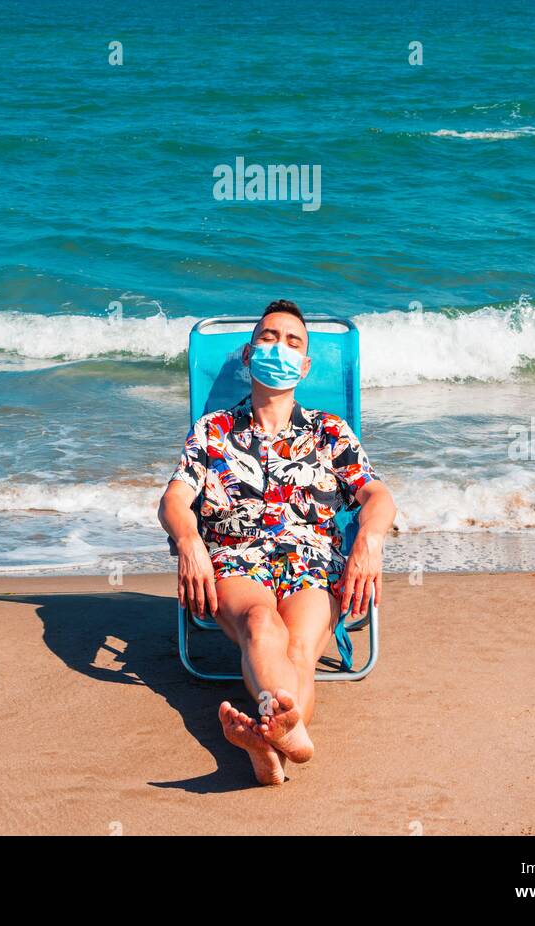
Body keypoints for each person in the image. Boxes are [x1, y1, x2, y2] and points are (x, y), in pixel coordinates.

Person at [158, 299, 396, 785]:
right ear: (248, 355)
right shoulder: (213, 431)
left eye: (293, 342)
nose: (279, 348)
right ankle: (289, 736)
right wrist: (188, 542)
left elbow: (378, 495)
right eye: (268, 337)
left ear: (305, 366)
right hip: (236, 560)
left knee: (303, 646)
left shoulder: (330, 432)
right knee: (262, 625)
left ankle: (272, 747)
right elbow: (174, 501)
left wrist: (369, 540)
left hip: (314, 560)